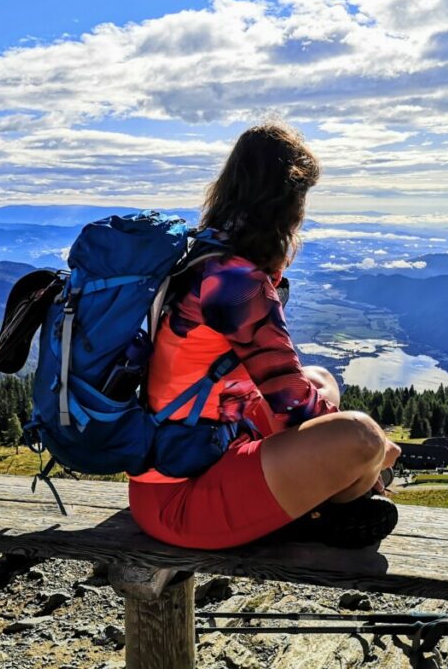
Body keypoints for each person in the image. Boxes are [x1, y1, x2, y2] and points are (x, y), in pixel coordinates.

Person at [128, 122, 401, 550]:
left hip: (192, 456)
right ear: (285, 202)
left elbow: (289, 388)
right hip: (180, 500)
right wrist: (380, 449)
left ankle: (319, 501)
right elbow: (294, 408)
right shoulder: (238, 283)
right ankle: (315, 511)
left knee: (320, 379)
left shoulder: (204, 253)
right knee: (361, 438)